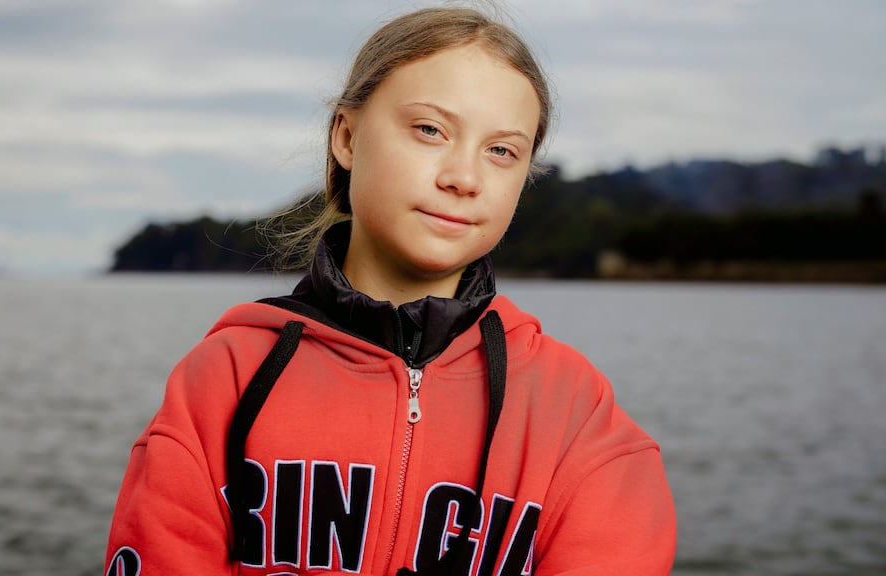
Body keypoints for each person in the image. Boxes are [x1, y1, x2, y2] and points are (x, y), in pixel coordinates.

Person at [104, 5, 675, 575]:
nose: (464, 178)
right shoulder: (225, 382)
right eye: (430, 130)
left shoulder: (577, 414)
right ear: (347, 137)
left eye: (501, 151)